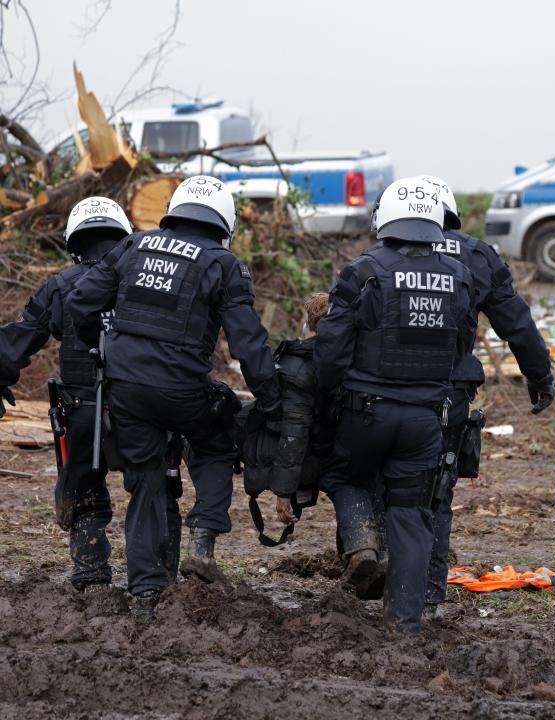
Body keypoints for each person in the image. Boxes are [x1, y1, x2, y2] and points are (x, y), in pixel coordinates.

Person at [65, 175, 281, 615]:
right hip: (183, 390)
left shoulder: (132, 246)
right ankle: (203, 534)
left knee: (144, 482)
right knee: (219, 437)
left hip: (124, 390)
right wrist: (274, 400)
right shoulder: (223, 264)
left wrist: (97, 351)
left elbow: (79, 302)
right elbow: (248, 345)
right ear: (224, 220)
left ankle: (144, 591)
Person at [314, 176, 476, 633]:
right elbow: (463, 347)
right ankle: (404, 624)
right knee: (412, 512)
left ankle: (362, 540)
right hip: (426, 419)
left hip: (366, 411)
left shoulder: (362, 271)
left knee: (344, 475)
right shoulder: (459, 275)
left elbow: (331, 347)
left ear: (384, 220)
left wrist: (330, 396)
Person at [419, 175, 554, 620]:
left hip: (383, 394)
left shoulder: (379, 257)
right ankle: (431, 595)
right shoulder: (477, 255)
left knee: (386, 481)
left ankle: (384, 569)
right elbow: (516, 322)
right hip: (449, 394)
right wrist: (539, 375)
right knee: (438, 491)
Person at [0, 197, 132, 592]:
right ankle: (155, 579)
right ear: (124, 235)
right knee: (153, 487)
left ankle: (91, 576)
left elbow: (12, 346)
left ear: (75, 241)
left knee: (84, 489)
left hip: (82, 412)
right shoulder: (144, 279)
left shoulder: (59, 285)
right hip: (143, 406)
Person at [241, 292, 337, 542]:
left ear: (310, 325)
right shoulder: (356, 360)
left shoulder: (297, 366)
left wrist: (283, 492)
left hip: (314, 459)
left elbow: (294, 432)